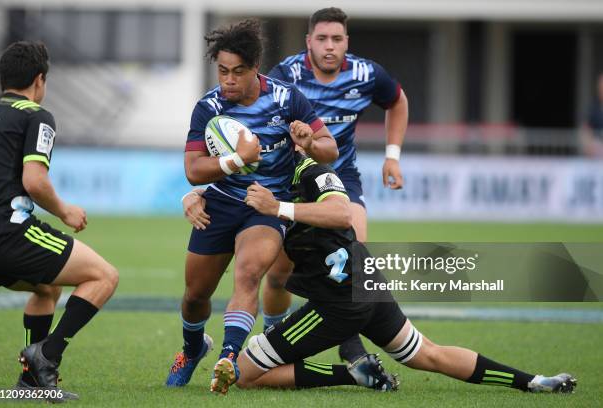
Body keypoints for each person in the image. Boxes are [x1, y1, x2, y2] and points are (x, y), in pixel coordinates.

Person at [185, 153, 577, 395]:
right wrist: (192, 196)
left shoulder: (312, 172)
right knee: (429, 354)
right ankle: (534, 381)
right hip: (367, 285)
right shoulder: (266, 177)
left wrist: (279, 209)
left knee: (247, 374)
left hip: (338, 303)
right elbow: (223, 193)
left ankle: (349, 374)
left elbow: (342, 212)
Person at [165, 20, 338, 394]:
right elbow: (194, 171)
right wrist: (237, 160)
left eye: (237, 72)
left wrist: (308, 142)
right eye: (223, 71)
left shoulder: (286, 98)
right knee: (195, 296)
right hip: (221, 204)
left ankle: (229, 357)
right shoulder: (208, 107)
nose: (228, 80)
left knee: (249, 275)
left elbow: (330, 149)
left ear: (254, 69)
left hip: (265, 207)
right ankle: (193, 349)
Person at [263, 6, 409, 364]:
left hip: (341, 180)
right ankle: (272, 332)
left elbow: (398, 101)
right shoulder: (286, 74)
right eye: (322, 39)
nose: (330, 46)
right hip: (293, 181)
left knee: (354, 260)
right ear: (308, 41)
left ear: (347, 42)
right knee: (279, 274)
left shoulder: (366, 74)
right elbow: (262, 117)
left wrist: (392, 155)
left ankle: (350, 343)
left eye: (337, 39)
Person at [0, 41, 119, 402]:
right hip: (8, 233)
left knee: (46, 288)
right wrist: (65, 211)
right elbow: (35, 181)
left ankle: (30, 382)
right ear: (39, 80)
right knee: (104, 276)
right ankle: (45, 356)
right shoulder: (36, 115)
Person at [582, 72, 603, 157]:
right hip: (597, 153)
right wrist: (589, 145)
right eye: (601, 87)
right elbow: (586, 128)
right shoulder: (593, 109)